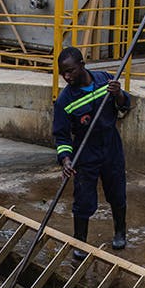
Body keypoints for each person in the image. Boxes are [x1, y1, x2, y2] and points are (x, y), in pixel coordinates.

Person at [52, 46, 131, 259]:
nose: (66, 77)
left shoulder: (105, 80)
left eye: (70, 71)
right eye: (63, 73)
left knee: (117, 192)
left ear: (82, 66)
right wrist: (66, 159)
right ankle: (80, 242)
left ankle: (120, 232)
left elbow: (125, 106)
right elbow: (61, 136)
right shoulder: (64, 100)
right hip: (85, 153)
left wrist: (119, 95)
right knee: (83, 200)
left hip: (111, 146)